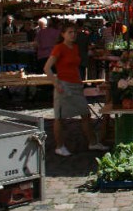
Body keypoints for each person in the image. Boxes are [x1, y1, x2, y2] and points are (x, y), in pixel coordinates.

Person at [43, 22, 108, 156]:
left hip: (76, 84)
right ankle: (59, 146)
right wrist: (56, 84)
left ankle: (92, 142)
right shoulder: (59, 48)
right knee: (59, 117)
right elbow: (47, 68)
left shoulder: (76, 47)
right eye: (70, 32)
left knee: (85, 114)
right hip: (63, 85)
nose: (73, 35)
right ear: (63, 34)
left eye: (74, 32)